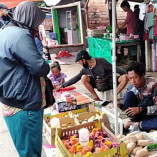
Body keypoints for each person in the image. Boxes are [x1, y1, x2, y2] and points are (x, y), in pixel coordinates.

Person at [0, 1, 50, 156]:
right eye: (37, 22)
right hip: (24, 103)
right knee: (30, 151)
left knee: (25, 149)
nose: (38, 27)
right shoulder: (21, 34)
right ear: (30, 18)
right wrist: (46, 64)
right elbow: (39, 67)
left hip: (12, 98)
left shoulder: (6, 30)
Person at [60, 50, 128, 101]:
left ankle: (114, 96)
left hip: (110, 81)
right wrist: (63, 86)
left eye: (79, 62)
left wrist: (125, 73)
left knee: (124, 78)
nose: (79, 64)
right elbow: (76, 78)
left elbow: (114, 68)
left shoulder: (100, 61)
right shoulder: (85, 69)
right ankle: (96, 97)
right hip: (99, 84)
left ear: (84, 60)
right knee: (83, 77)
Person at [122, 62, 157, 132]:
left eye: (135, 77)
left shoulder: (153, 85)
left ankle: (136, 124)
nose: (132, 81)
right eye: (130, 78)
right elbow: (129, 104)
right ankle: (136, 122)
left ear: (142, 75)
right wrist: (121, 106)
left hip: (150, 117)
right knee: (128, 95)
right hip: (136, 117)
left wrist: (140, 109)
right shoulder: (132, 87)